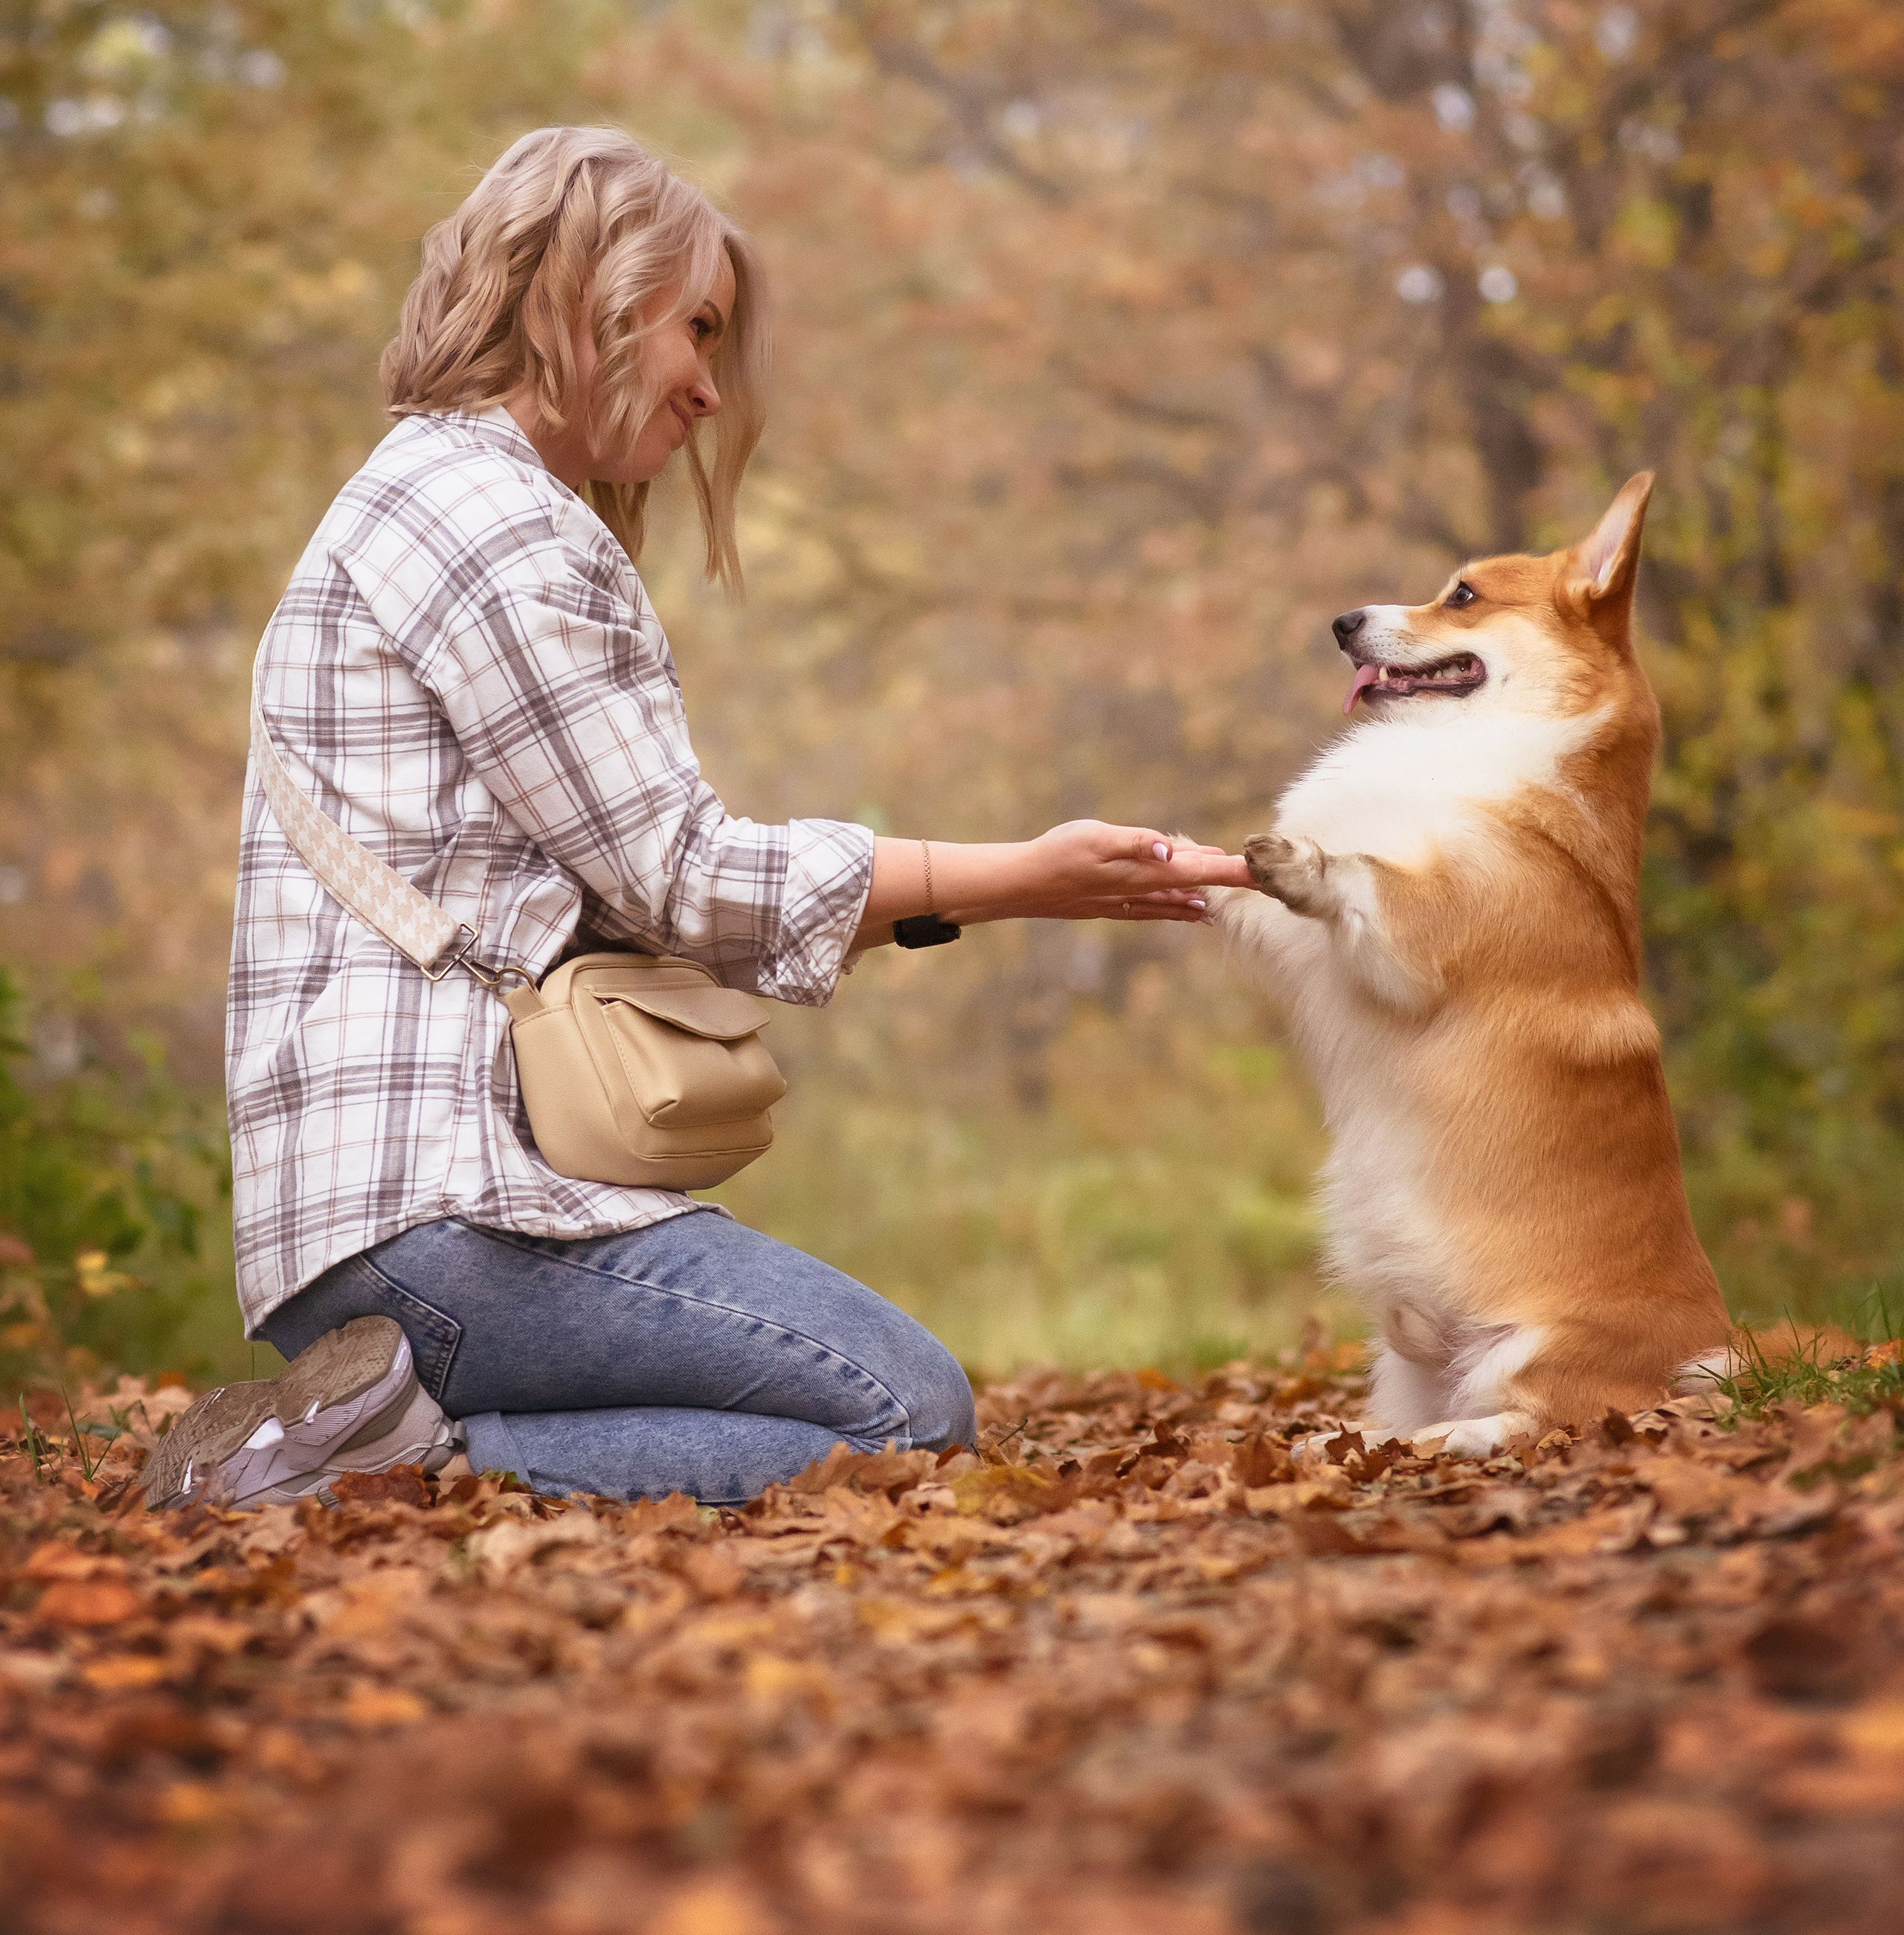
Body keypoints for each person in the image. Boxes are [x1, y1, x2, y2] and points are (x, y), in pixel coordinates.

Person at [146, 126, 1249, 1511]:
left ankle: (379, 1438)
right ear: (590, 296)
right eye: (700, 328)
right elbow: (682, 877)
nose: (712, 388)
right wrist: (1022, 875)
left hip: (387, 1217)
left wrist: (960, 894)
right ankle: (388, 1463)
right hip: (438, 1212)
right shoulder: (493, 523)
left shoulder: (434, 498)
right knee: (902, 1411)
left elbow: (636, 894)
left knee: (884, 1410)